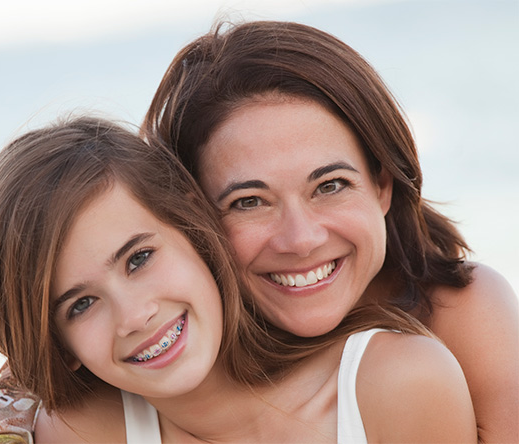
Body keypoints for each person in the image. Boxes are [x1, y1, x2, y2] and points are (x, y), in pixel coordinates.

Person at [0, 116, 475, 443]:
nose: (135, 316)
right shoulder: (82, 432)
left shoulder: (397, 385)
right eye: (80, 305)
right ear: (62, 348)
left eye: (138, 259)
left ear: (198, 233)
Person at [142, 20, 519, 442]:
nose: (301, 240)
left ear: (382, 185)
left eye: (330, 186)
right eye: (249, 201)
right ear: (194, 220)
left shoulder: (464, 314)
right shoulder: (162, 360)